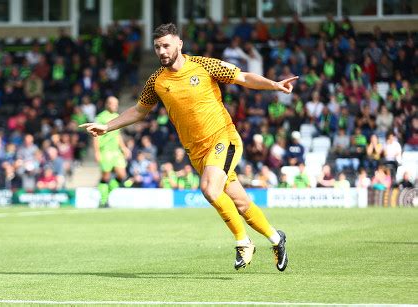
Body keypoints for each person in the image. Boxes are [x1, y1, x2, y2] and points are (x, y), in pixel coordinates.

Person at [80, 23, 298, 272]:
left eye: (166, 45)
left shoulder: (204, 65)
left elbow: (243, 77)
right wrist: (108, 126)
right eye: (157, 47)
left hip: (223, 138)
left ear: (179, 45)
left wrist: (274, 84)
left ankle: (243, 241)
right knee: (241, 203)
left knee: (208, 188)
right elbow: (139, 111)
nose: (161, 51)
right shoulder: (157, 81)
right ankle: (276, 239)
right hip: (196, 152)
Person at [93, 96, 131, 206]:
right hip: (105, 151)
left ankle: (106, 194)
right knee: (106, 176)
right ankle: (103, 201)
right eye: (112, 104)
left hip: (116, 152)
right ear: (107, 104)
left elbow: (117, 134)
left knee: (122, 175)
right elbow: (95, 136)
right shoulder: (101, 117)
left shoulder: (117, 116)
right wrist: (96, 152)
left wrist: (123, 147)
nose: (115, 106)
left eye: (116, 104)